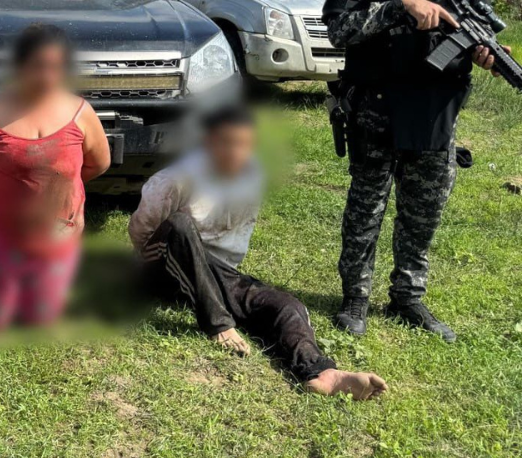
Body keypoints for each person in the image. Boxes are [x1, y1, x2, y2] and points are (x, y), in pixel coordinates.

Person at [324, 0, 508, 343]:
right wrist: (397, 7)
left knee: (423, 212)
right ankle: (355, 298)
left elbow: (480, 29)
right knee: (366, 207)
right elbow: (338, 30)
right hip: (376, 106)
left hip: (435, 113)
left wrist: (487, 55)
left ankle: (409, 297)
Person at [129, 107, 388, 400]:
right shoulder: (175, 179)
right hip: (162, 269)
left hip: (218, 274)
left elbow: (233, 243)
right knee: (179, 225)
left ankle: (321, 372)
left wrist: (222, 282)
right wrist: (192, 267)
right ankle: (217, 323)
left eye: (244, 144)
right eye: (226, 142)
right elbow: (143, 235)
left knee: (284, 304)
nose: (236, 152)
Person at [0, 23, 110, 329]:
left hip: (59, 231)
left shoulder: (81, 112)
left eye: (56, 67)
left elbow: (98, 164)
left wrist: (62, 188)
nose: (47, 76)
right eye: (38, 66)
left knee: (39, 317)